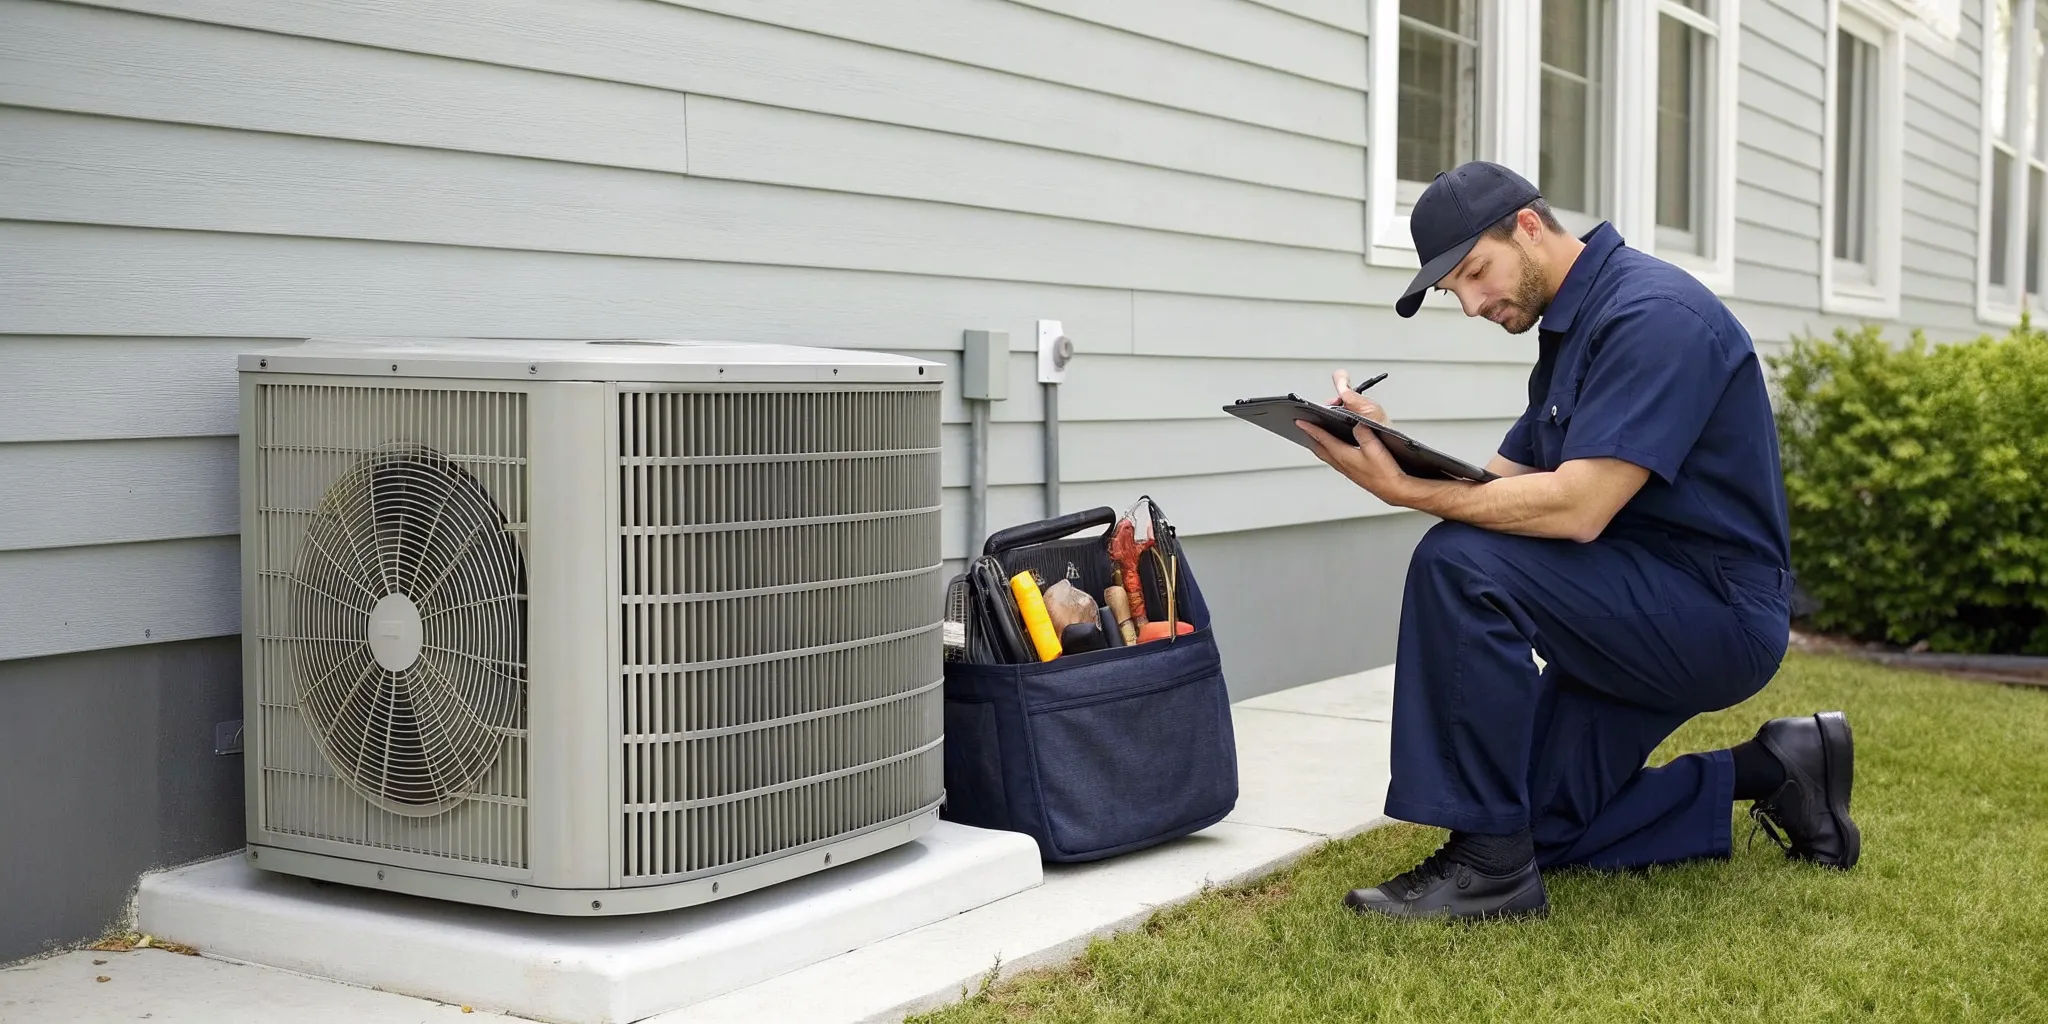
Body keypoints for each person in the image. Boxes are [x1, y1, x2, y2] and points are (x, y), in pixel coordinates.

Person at [1293, 160, 1859, 921]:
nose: (1469, 304)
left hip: (1712, 611)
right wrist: (1391, 450)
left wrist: (1404, 491)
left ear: (1528, 226)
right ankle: (1780, 768)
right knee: (1541, 823)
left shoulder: (1655, 316)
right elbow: (1495, 491)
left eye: (1473, 273)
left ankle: (1488, 869)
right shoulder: (1569, 329)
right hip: (1624, 596)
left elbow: (1578, 508)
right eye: (1452, 289)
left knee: (1458, 564)